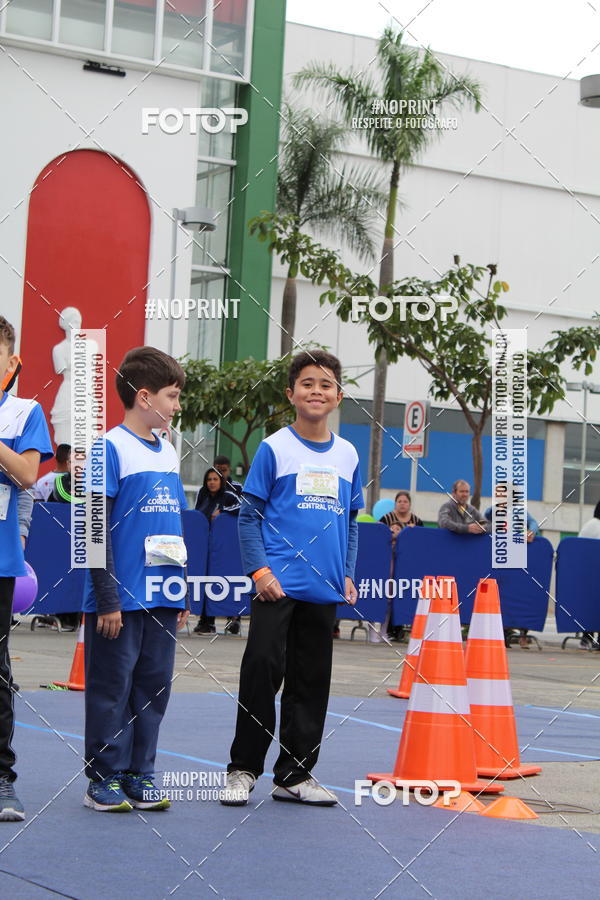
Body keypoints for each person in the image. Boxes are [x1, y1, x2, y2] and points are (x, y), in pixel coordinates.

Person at [220, 350, 362, 807]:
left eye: (325, 385)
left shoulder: (348, 454)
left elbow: (352, 523)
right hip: (275, 586)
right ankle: (242, 770)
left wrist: (346, 573)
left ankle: (295, 775)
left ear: (338, 396)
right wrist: (260, 571)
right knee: (261, 673)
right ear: (291, 393)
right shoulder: (274, 447)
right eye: (307, 384)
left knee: (310, 682)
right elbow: (248, 518)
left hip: (323, 589)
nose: (316, 391)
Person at [82, 346, 189, 812]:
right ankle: (101, 779)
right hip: (120, 600)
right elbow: (92, 529)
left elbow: (172, 529)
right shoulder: (108, 448)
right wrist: (107, 598)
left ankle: (138, 773)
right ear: (144, 397)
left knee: (153, 687)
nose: (177, 405)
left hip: (162, 597)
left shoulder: (167, 451)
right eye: (172, 396)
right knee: (112, 689)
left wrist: (179, 587)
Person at [0, 316, 53, 820]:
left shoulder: (24, 413)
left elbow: (26, 473)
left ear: (12, 363)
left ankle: (2, 778)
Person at [483, 494, 539, 648]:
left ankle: (522, 635)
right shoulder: (495, 510)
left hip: (517, 558)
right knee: (501, 595)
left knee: (520, 594)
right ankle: (502, 632)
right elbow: (487, 514)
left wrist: (531, 532)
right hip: (499, 558)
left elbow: (533, 523)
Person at [194, 469, 241, 634]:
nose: (212, 482)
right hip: (205, 549)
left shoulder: (228, 496)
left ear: (221, 481)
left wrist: (223, 512)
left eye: (215, 479)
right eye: (208, 480)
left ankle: (233, 620)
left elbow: (243, 507)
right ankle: (206, 622)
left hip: (225, 549)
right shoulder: (204, 496)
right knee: (207, 583)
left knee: (228, 582)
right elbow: (197, 514)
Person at [578, 501, 600, 650]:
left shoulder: (590, 524)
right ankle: (589, 638)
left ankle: (587, 637)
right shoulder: (596, 526)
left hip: (586, 576)